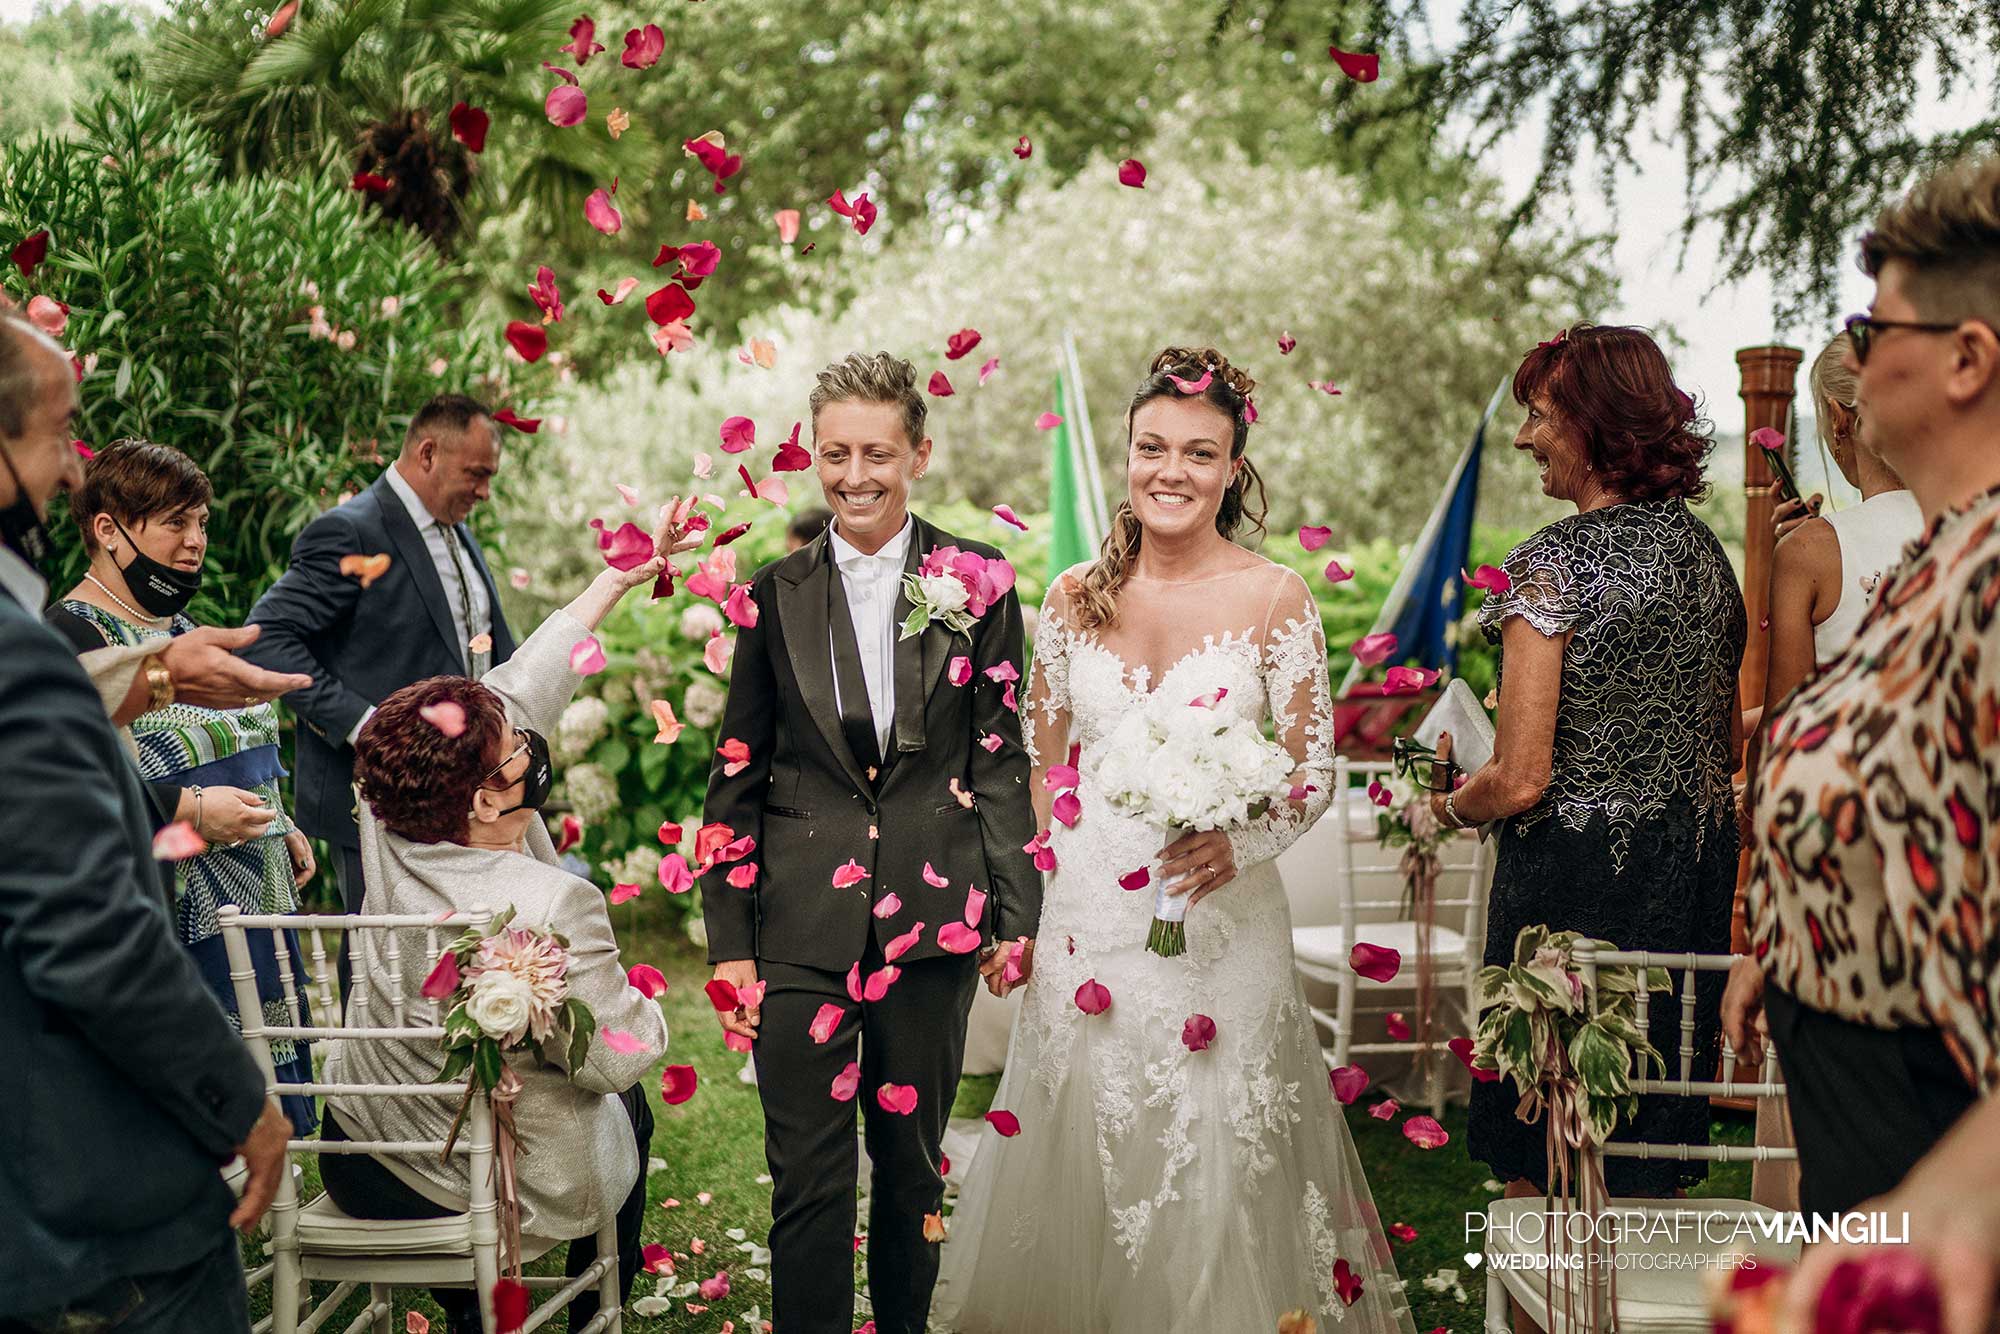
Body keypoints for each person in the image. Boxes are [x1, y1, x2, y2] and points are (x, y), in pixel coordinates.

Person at [934, 348, 1414, 1334]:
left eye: (1199, 452)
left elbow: (1310, 771)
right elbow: (1040, 766)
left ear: (1233, 468)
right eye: (1151, 447)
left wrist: (1241, 844)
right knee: (1087, 1135)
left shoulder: (1275, 597)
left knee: (1215, 1146)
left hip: (1219, 922)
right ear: (1126, 454)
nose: (1171, 470)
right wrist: (1032, 903)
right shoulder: (1072, 596)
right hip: (1089, 913)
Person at [698, 351, 1042, 1334]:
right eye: (835, 453)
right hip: (797, 923)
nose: (854, 475)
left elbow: (998, 758)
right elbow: (737, 769)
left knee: (911, 1170)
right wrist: (729, 945)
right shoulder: (773, 592)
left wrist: (1015, 912)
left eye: (877, 454)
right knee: (806, 1179)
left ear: (918, 455)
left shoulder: (979, 582)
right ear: (814, 454)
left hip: (933, 920)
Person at [320, 509, 693, 1334]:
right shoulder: (549, 904)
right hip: (473, 1179)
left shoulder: (391, 805)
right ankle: (595, 1308)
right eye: (518, 745)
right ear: (488, 798)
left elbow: (522, 684)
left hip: (358, 1150)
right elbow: (615, 1056)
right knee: (629, 1105)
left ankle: (469, 1308)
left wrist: (621, 576)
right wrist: (650, 1016)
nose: (527, 734)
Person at [0, 311, 297, 1330]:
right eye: (57, 436)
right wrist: (237, 1099)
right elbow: (87, 927)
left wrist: (161, 671)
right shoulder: (28, 643)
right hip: (84, 1174)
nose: (69, 470)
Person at [1725, 150, 2000, 1228]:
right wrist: (1793, 933)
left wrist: (1948, 1211)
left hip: (1932, 1138)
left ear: (1965, 359)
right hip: (1859, 1085)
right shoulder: (1942, 553)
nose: (1854, 357)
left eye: (1871, 329)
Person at [1438, 325, 1746, 1217]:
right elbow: (1725, 747)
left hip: (1569, 903)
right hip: (1687, 887)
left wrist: (1453, 804)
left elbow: (1520, 778)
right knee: (1648, 1149)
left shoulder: (1553, 563)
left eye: (1540, 415)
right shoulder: (1708, 560)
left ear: (1595, 423)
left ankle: (1544, 1290)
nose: (1526, 436)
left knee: (1544, 1159)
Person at [46, 439, 321, 1133]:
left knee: (277, 1127)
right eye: (176, 522)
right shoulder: (69, 637)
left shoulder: (187, 632)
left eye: (201, 522)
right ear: (108, 529)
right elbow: (75, 781)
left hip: (256, 901)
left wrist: (281, 820)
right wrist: (192, 810)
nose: (196, 541)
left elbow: (243, 738)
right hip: (176, 915)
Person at [1744, 332, 1922, 1210]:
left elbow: (1790, 743)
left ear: (1840, 420)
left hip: (1846, 890)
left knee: (1843, 1143)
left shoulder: (1815, 550)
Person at [243, 393, 517, 933]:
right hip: (376, 795)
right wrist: (367, 726)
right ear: (428, 453)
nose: (485, 492)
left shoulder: (457, 531)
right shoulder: (349, 531)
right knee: (379, 961)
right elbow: (266, 639)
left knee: (456, 955)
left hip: (460, 793)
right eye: (477, 474)